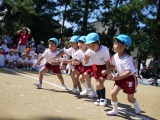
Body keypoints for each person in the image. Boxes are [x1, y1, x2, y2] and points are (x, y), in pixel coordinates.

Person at [105, 34, 140, 115]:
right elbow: (113, 65)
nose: (114, 45)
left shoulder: (128, 58)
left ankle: (135, 104)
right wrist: (107, 70)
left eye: (116, 43)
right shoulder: (115, 56)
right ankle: (115, 110)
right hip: (120, 78)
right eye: (114, 43)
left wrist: (118, 77)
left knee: (130, 99)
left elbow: (128, 72)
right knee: (113, 93)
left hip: (130, 79)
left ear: (123, 46)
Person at [84, 32, 110, 106]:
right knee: (97, 85)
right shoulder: (89, 51)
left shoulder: (104, 50)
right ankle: (98, 98)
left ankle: (103, 98)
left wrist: (107, 71)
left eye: (93, 44)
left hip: (103, 67)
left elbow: (107, 62)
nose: (91, 47)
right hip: (95, 67)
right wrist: (86, 58)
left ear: (98, 42)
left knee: (100, 84)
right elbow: (86, 62)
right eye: (89, 45)